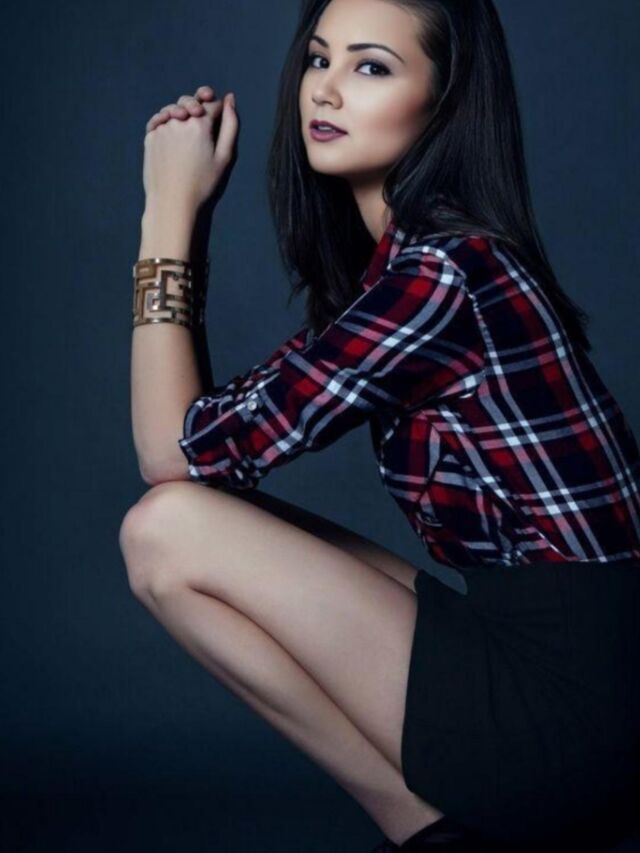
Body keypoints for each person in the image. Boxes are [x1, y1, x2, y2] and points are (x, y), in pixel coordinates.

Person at [119, 0, 640, 850]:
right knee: (177, 538)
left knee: (167, 528)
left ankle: (426, 829)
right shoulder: (412, 265)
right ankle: (436, 837)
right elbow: (203, 453)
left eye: (370, 67)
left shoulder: (443, 276)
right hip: (558, 669)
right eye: (318, 59)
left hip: (572, 712)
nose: (325, 90)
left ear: (446, 99)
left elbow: (171, 454)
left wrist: (167, 213)